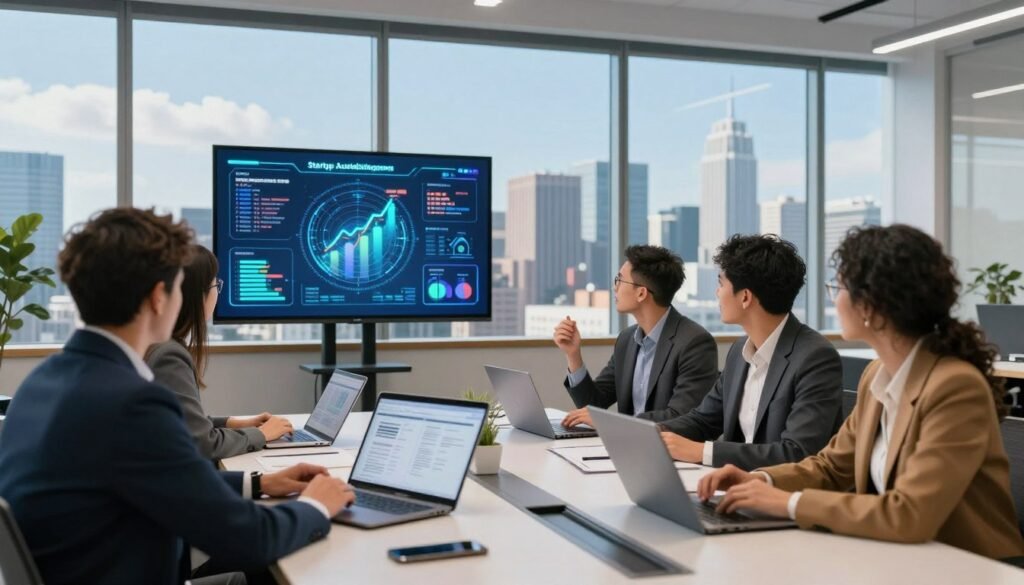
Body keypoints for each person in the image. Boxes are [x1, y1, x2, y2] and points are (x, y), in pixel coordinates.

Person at [0, 208, 356, 585]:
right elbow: (249, 539)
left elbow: (159, 478)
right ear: (158, 297)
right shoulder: (131, 403)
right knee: (285, 566)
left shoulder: (42, 382)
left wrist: (260, 484)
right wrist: (318, 505)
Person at [697, 224, 1024, 559]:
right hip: (901, 556)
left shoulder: (955, 387)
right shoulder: (877, 375)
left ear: (871, 304)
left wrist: (791, 503)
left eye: (838, 287)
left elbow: (910, 514)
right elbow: (830, 467)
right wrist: (763, 480)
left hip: (969, 566)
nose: (834, 299)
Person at [658, 234, 843, 470]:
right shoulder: (739, 351)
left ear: (745, 297)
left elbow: (797, 452)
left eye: (721, 284)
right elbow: (704, 420)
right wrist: (653, 433)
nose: (717, 293)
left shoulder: (815, 357)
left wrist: (702, 451)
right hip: (734, 488)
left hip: (780, 496)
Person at [146, 245, 293, 460]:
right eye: (216, 284)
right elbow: (203, 444)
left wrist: (231, 423)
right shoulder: (169, 355)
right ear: (196, 294)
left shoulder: (157, 344)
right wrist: (260, 434)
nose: (217, 292)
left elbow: (177, 422)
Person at [554, 245, 718, 427]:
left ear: (641, 293)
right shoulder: (627, 339)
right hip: (628, 446)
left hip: (669, 451)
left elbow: (681, 416)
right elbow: (594, 405)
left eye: (619, 280)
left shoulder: (694, 342)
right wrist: (573, 355)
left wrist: (611, 422)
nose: (614, 287)